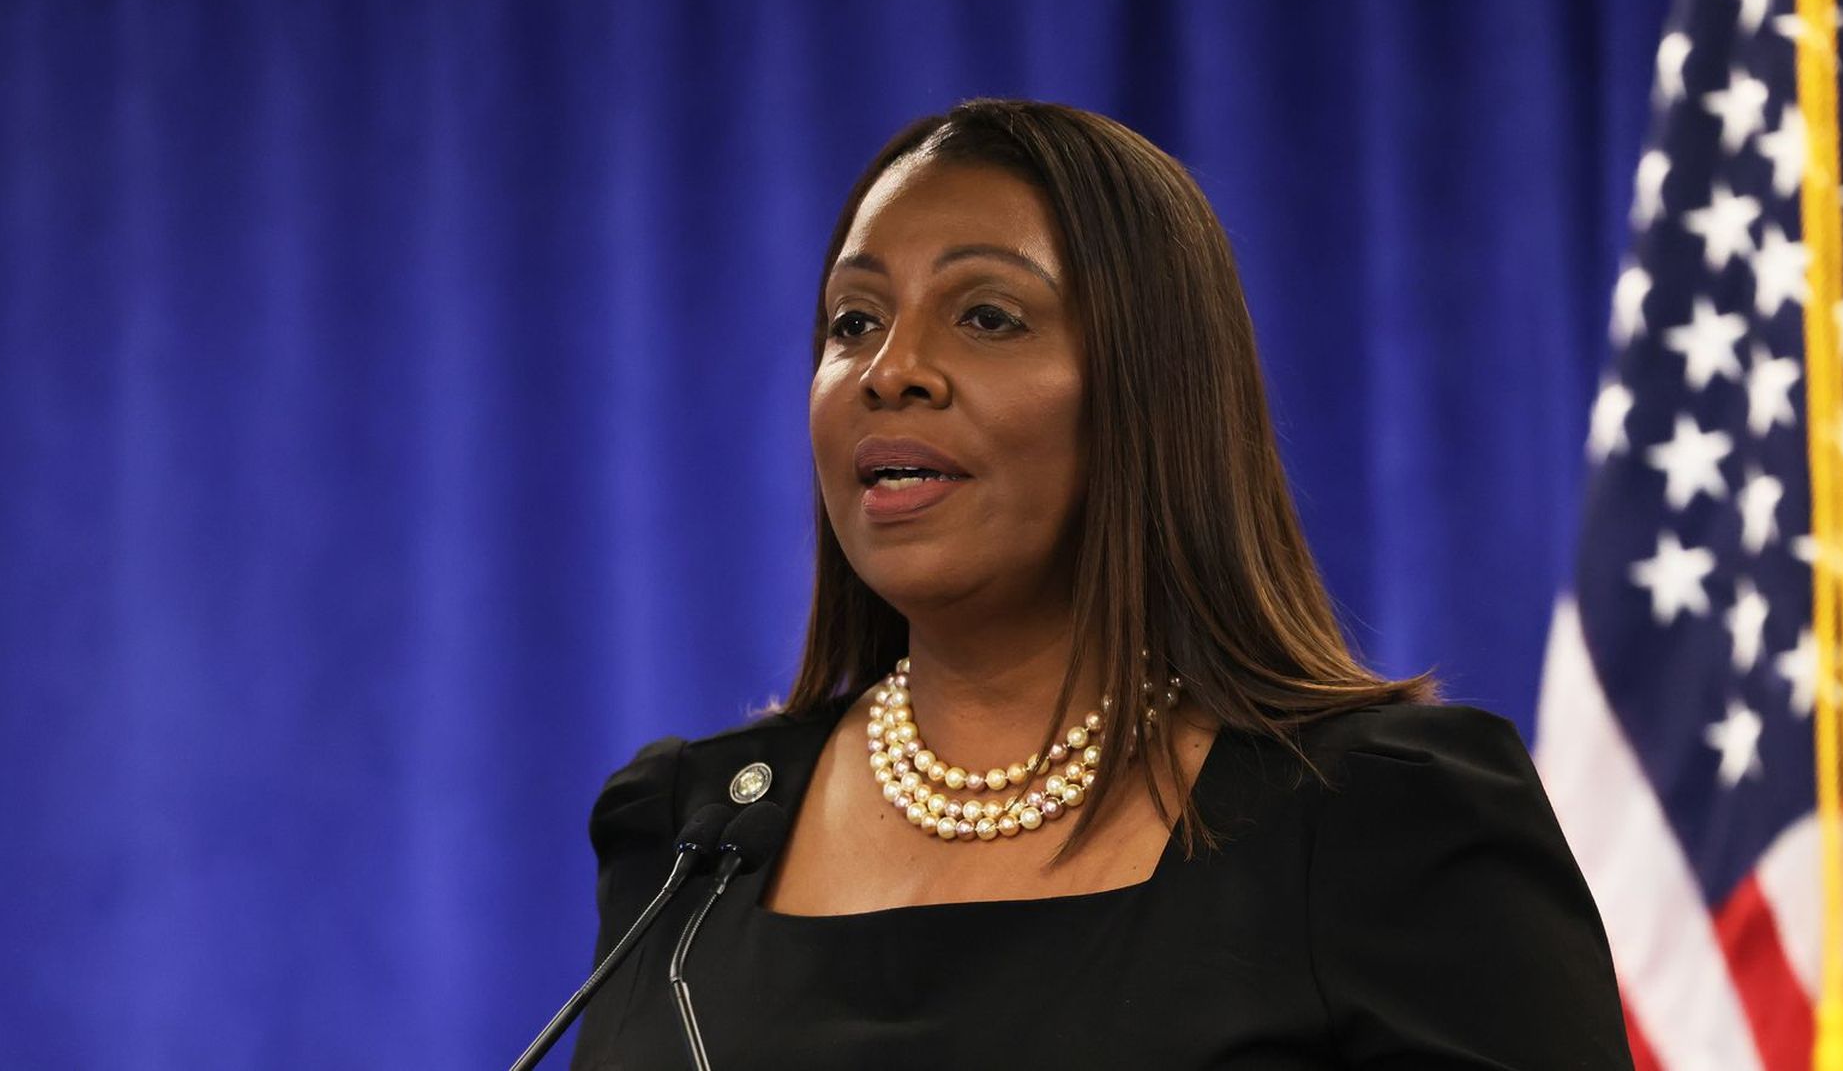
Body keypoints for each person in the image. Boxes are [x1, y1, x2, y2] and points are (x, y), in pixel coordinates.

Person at [568, 98, 1633, 1070]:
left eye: (986, 315)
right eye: (853, 322)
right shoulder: (688, 839)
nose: (890, 368)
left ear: (1153, 393)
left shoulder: (1382, 820)